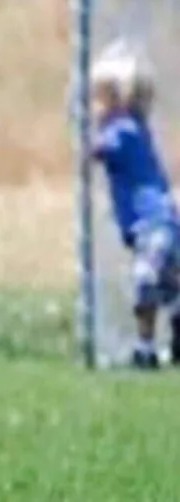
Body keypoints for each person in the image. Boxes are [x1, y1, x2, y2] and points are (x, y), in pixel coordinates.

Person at [90, 40, 180, 369]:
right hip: (164, 223)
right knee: (169, 285)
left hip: (152, 225)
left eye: (101, 97)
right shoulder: (135, 127)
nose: (95, 105)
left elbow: (96, 150)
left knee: (146, 281)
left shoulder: (123, 129)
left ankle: (145, 350)